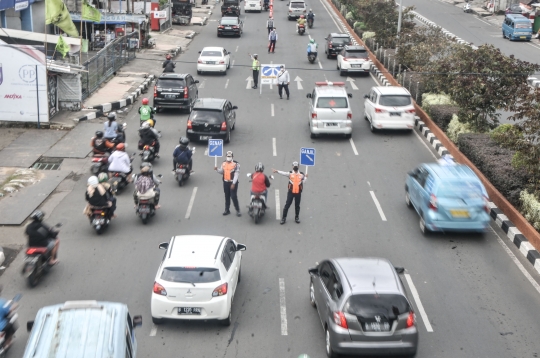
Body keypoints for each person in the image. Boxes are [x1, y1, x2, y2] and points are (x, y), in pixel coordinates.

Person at [215, 151, 241, 216]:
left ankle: (238, 210)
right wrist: (217, 169)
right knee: (227, 196)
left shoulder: (236, 164)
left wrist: (233, 183)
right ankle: (227, 210)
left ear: (232, 157)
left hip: (232, 182)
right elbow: (222, 172)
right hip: (226, 182)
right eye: (228, 156)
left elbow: (236, 174)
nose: (229, 157)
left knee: (233, 196)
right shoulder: (223, 163)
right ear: (226, 156)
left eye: (230, 156)